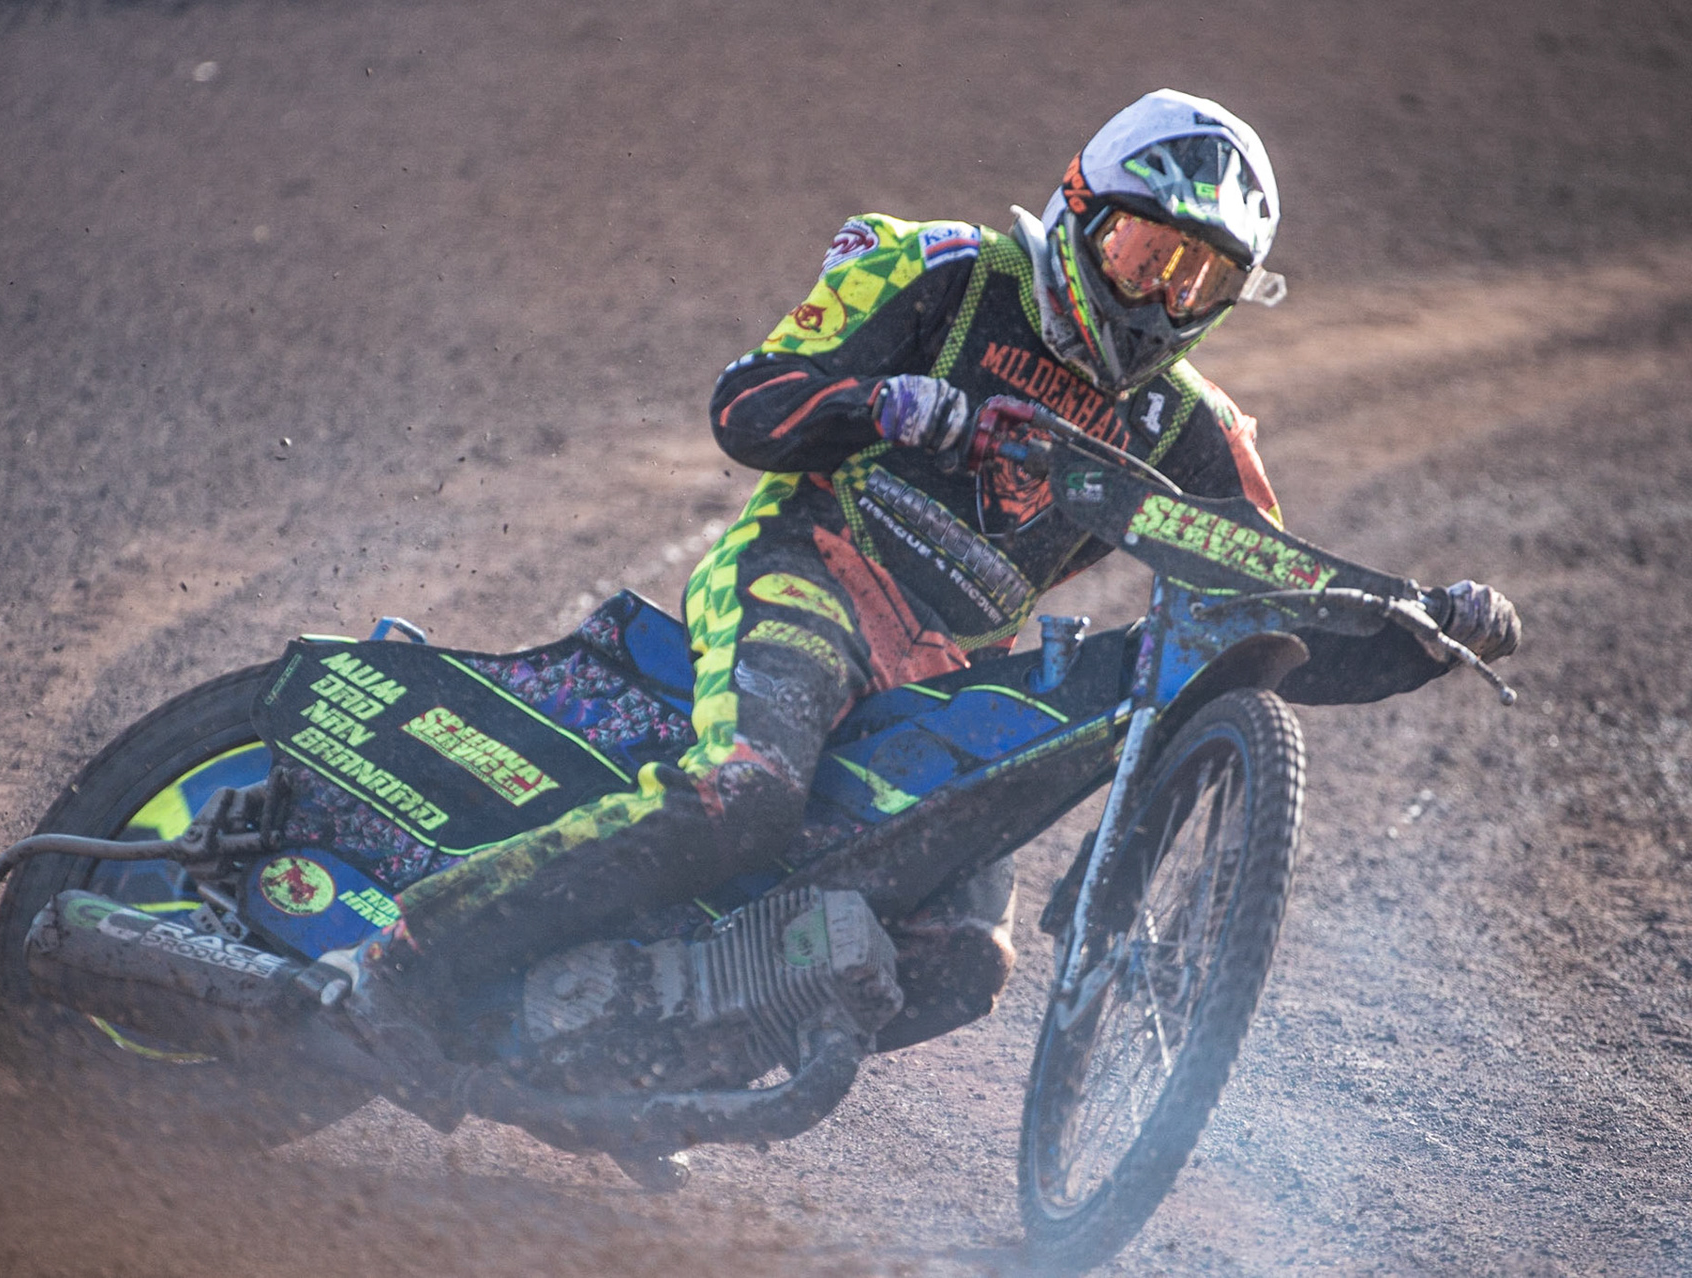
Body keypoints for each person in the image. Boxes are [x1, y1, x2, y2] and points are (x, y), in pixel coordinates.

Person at [361, 89, 1520, 1046]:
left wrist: (1419, 630)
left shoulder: (1193, 431)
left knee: (963, 961)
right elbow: (746, 405)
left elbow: (1262, 610)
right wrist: (891, 405)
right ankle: (413, 952)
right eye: (1140, 250)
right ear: (1076, 208)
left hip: (953, 675)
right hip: (807, 573)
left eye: (1197, 279)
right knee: (748, 792)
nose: (1159, 298)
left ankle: (651, 1056)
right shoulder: (944, 272)